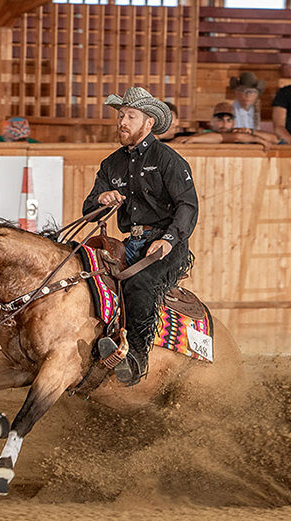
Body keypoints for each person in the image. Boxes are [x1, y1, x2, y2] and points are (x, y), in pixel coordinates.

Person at [82, 87, 198, 386]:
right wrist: (101, 199)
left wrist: (169, 240)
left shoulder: (168, 160)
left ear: (148, 123)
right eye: (121, 115)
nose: (123, 121)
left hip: (166, 244)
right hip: (130, 242)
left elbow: (187, 206)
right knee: (84, 274)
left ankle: (136, 359)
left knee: (141, 283)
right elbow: (89, 207)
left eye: (131, 116)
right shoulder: (111, 164)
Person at [174, 102, 279, 149]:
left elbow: (275, 139)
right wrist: (257, 139)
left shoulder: (240, 133)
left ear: (234, 123)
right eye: (220, 120)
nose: (224, 124)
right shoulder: (204, 134)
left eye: (228, 120)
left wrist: (251, 132)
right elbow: (233, 137)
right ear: (212, 122)